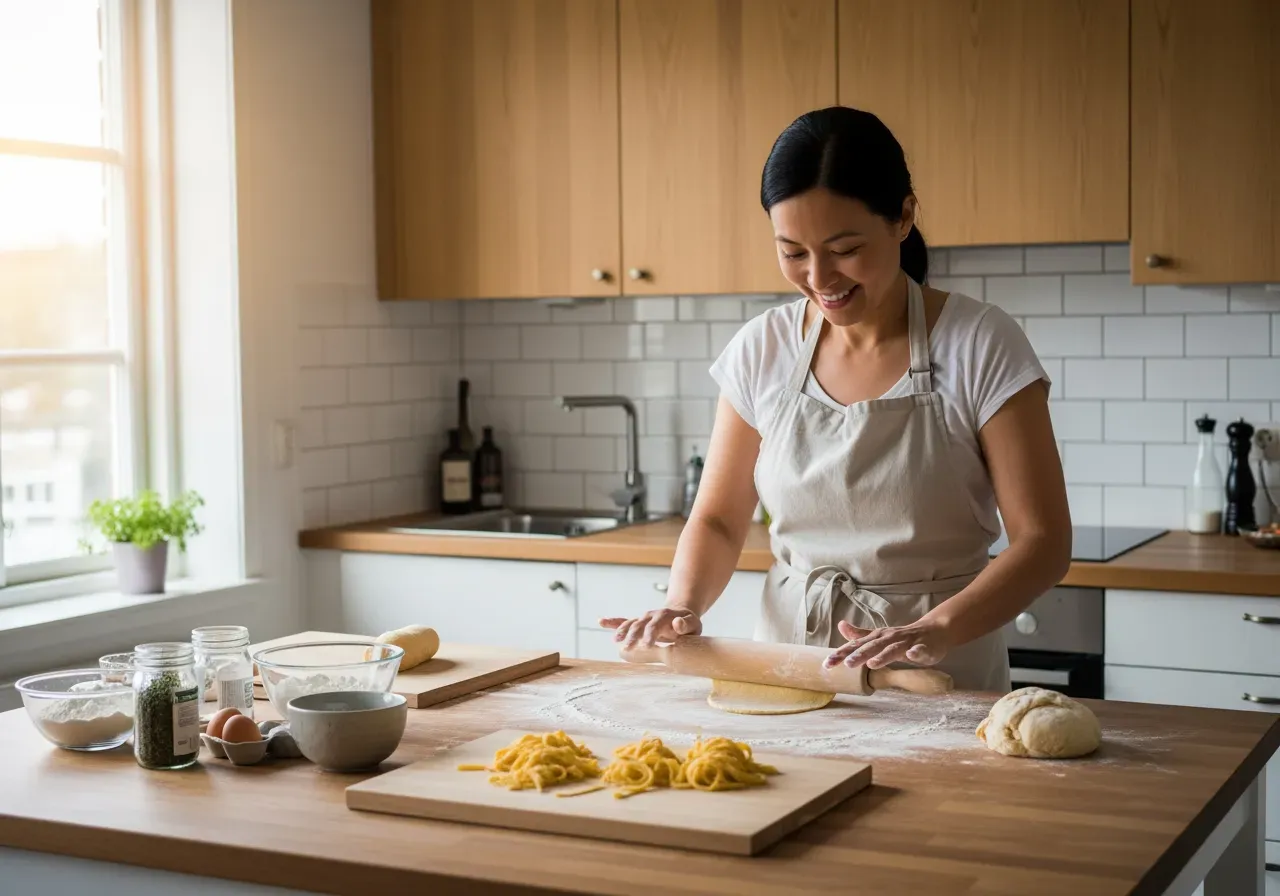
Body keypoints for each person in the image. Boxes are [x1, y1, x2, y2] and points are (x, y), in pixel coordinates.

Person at [601, 107, 1071, 691]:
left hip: (940, 676)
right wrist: (682, 602)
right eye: (793, 252)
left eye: (844, 249)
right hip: (788, 670)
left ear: (902, 217)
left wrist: (939, 629)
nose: (820, 277)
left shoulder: (980, 343)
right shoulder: (762, 348)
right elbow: (720, 520)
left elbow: (1044, 542)